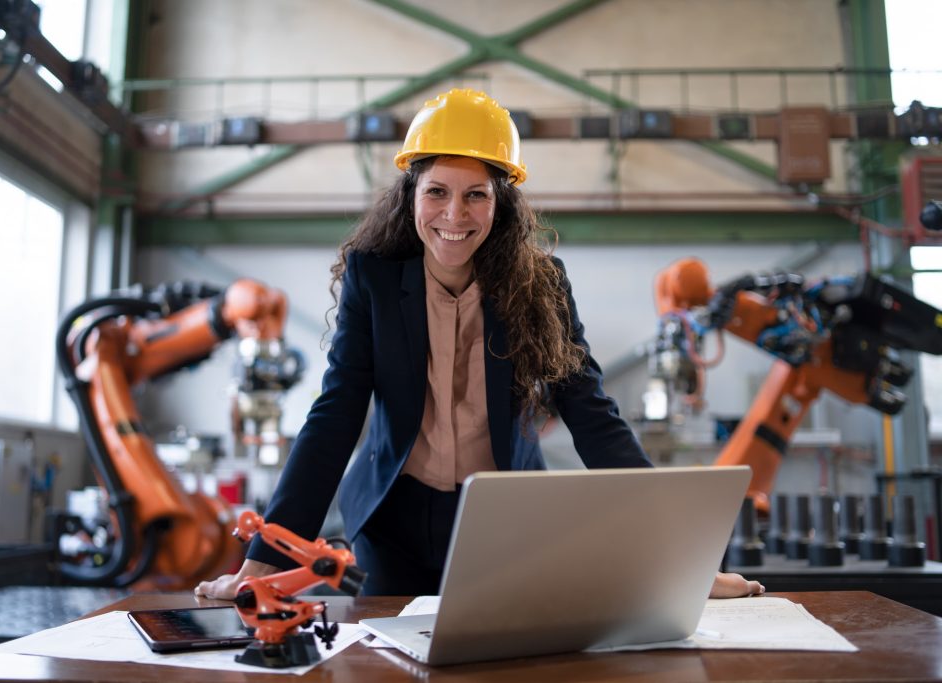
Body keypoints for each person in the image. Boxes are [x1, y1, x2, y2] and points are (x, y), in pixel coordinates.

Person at [196, 89, 763, 599]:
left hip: (503, 517)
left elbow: (589, 410)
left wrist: (679, 558)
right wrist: (264, 559)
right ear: (411, 194)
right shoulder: (373, 278)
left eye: (476, 195)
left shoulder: (541, 284)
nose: (454, 215)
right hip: (391, 516)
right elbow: (336, 413)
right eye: (437, 192)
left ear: (503, 204)